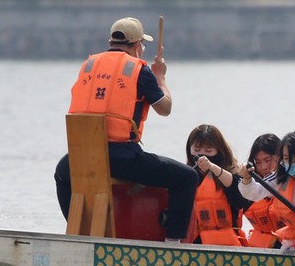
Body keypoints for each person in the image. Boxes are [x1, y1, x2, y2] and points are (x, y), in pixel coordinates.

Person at [54, 16, 197, 242]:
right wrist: (160, 77)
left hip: (83, 156)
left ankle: (81, 233)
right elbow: (165, 108)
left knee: (62, 173)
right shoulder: (138, 70)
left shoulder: (89, 65)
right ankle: (173, 244)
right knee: (187, 177)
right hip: (121, 157)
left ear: (112, 41)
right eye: (143, 45)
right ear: (137, 45)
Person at [184, 124, 249, 246]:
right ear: (189, 150)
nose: (202, 155)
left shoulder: (232, 173)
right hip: (197, 243)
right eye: (197, 150)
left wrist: (212, 167)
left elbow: (239, 198)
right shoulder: (185, 176)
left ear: (219, 151)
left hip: (229, 244)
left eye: (209, 151)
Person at [233, 133, 282, 248]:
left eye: (268, 160)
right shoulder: (247, 183)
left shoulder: (290, 179)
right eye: (258, 162)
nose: (264, 167)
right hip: (261, 247)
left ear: (280, 156)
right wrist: (245, 177)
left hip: (288, 245)